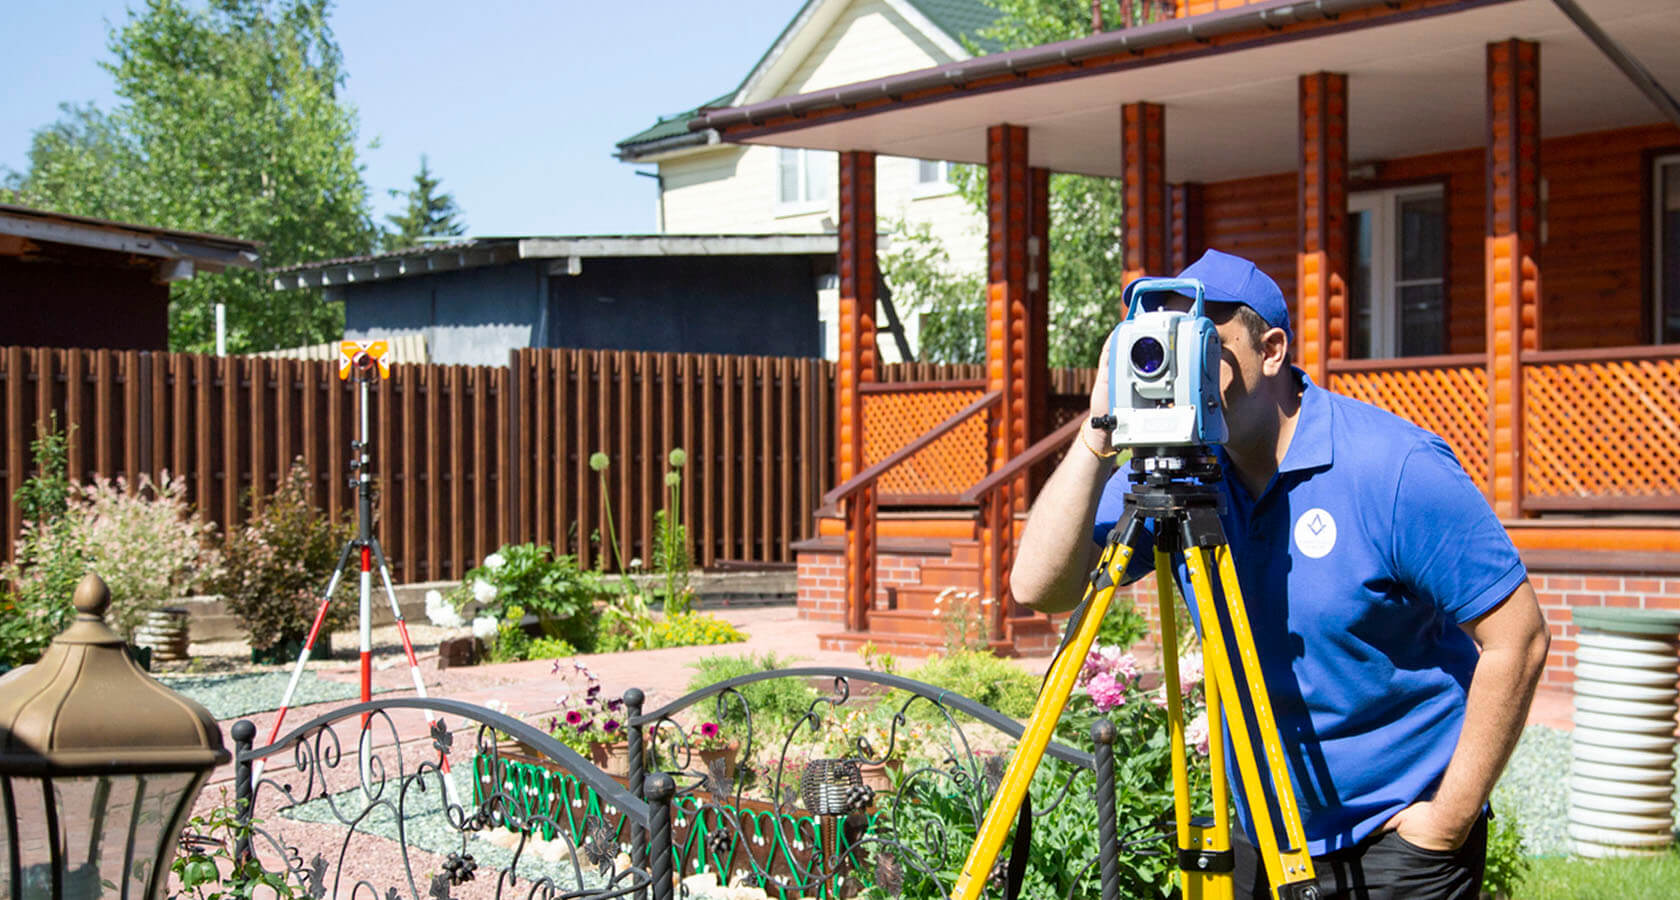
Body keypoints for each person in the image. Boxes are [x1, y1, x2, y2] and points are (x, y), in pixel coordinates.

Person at [1010, 249, 1550, 899]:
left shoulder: (1392, 466)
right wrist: (1100, 431)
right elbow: (1040, 588)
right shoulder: (1180, 466)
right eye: (1164, 341)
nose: (1182, 364)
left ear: (1271, 351)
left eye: (1202, 339)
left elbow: (1519, 637)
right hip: (1257, 830)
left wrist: (1445, 823)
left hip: (1392, 839)